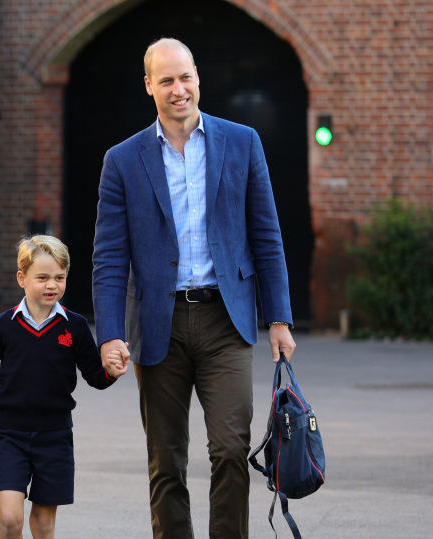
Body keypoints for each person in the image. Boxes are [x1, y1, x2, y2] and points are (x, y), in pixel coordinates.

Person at [91, 38, 298, 539]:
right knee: (166, 460)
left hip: (226, 318)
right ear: (149, 87)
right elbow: (109, 257)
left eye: (185, 77)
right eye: (166, 80)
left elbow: (266, 234)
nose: (178, 89)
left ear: (198, 78)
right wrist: (109, 334)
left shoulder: (242, 142)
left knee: (230, 449)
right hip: (157, 323)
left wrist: (279, 317)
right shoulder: (122, 160)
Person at [0, 235, 126, 539]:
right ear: (22, 278)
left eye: (59, 277)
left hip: (55, 437)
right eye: (42, 277)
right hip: (11, 436)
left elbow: (94, 377)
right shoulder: (3, 326)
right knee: (10, 519)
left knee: (43, 525)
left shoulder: (75, 326)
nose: (52, 285)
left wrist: (110, 372)